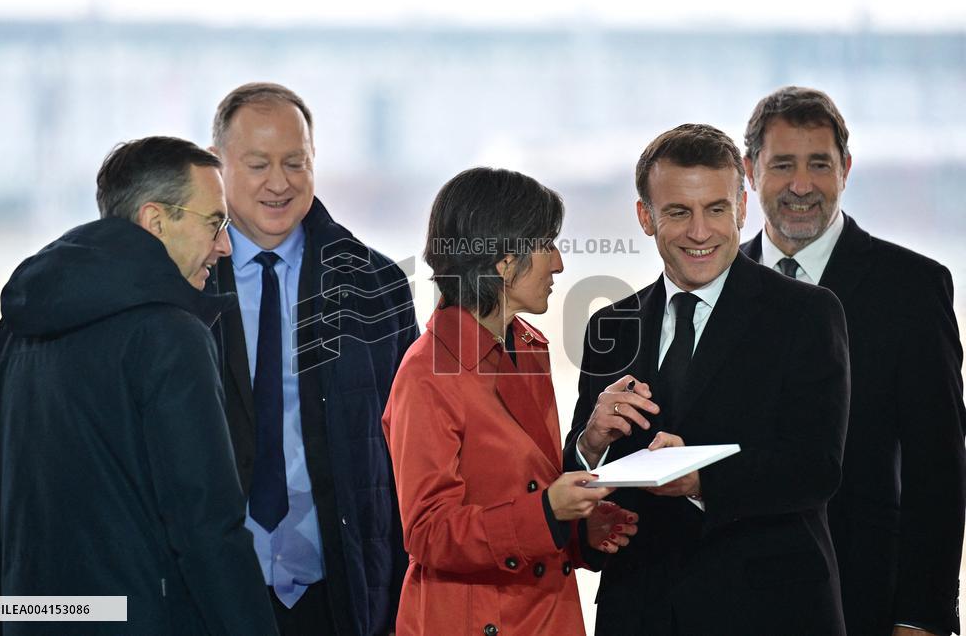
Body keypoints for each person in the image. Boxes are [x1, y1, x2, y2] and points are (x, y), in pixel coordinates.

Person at [0, 136, 277, 635]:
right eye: (214, 222)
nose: (225, 245)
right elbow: (206, 528)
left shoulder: (15, 329)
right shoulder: (170, 336)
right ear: (156, 221)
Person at [564, 124, 851, 635]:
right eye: (678, 212)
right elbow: (579, 488)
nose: (701, 232)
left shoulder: (806, 314)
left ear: (742, 208)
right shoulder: (610, 326)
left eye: (716, 209)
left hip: (770, 614)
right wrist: (590, 442)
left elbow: (817, 466)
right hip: (640, 612)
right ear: (645, 217)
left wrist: (701, 481)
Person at [740, 86, 966, 636]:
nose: (801, 185)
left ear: (846, 167)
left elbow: (937, 469)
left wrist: (923, 616)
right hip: (736, 602)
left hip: (865, 602)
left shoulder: (911, 288)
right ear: (749, 172)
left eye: (819, 164)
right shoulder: (718, 285)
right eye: (783, 165)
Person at [383, 167, 638, 636]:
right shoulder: (425, 375)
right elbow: (428, 533)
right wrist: (549, 513)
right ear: (503, 261)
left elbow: (529, 487)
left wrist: (580, 528)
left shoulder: (528, 345)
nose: (558, 263)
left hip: (545, 614)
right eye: (546, 245)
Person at [206, 82, 418, 636]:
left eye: (295, 162)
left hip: (342, 593)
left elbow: (410, 451)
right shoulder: (184, 283)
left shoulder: (376, 284)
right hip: (209, 593)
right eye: (257, 164)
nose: (279, 183)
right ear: (217, 166)